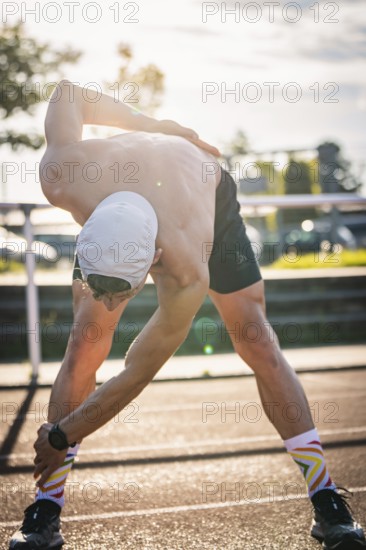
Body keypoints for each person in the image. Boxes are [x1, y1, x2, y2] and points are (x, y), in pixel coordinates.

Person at [10, 80, 365, 550]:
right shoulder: (62, 175)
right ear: (84, 235)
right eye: (102, 288)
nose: (114, 304)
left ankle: (325, 496)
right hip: (137, 187)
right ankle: (46, 507)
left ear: (154, 261)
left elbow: (138, 371)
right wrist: (147, 123)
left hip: (205, 194)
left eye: (122, 293)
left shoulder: (187, 271)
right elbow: (68, 92)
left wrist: (61, 434)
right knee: (84, 344)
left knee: (255, 337)